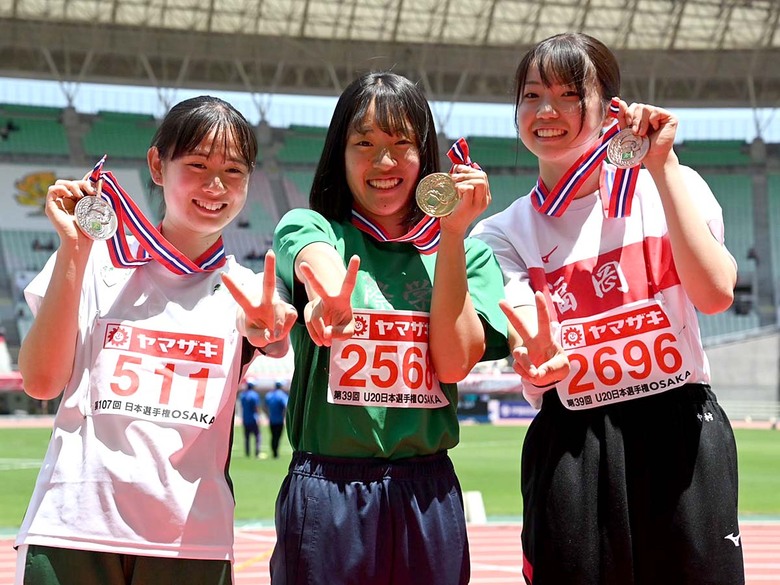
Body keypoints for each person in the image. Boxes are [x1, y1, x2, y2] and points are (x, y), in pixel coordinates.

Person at [470, 32, 744, 585]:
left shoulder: (672, 185)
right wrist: (534, 357)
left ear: (609, 107)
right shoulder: (501, 232)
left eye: (570, 94)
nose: (547, 111)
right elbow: (525, 339)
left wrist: (661, 166)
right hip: (571, 441)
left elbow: (714, 294)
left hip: (681, 426)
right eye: (530, 96)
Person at [14, 95, 297, 585]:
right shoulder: (94, 262)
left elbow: (270, 328)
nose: (215, 186)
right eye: (197, 165)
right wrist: (74, 250)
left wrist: (266, 330)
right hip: (74, 531)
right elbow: (40, 382)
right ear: (156, 165)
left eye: (234, 171)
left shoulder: (248, 289)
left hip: (191, 541)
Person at [271, 71, 508, 584]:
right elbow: (318, 264)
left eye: (402, 144)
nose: (384, 162)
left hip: (428, 493)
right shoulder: (312, 227)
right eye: (365, 144)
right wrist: (329, 302)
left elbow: (452, 361)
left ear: (426, 155)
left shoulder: (470, 254)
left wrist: (451, 233)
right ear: (340, 153)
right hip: (327, 490)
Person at [264, 380, 288, 458]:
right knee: (278, 436)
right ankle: (276, 453)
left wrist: (268, 415)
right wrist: (284, 415)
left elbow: (265, 407)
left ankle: (274, 452)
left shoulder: (269, 395)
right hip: (279, 420)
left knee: (273, 436)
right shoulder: (282, 395)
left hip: (272, 419)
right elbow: (286, 406)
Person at [240, 380, 262, 458]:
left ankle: (247, 452)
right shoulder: (254, 395)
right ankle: (257, 452)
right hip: (253, 418)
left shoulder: (242, 395)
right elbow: (256, 407)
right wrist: (259, 416)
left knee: (247, 437)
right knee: (257, 436)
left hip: (245, 418)